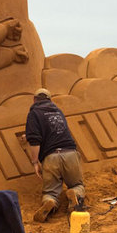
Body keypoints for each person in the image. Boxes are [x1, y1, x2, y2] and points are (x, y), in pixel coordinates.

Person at [24, 88, 85, 222]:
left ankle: (50, 201)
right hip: (70, 153)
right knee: (77, 184)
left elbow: (35, 140)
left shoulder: (34, 113)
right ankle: (75, 193)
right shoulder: (58, 112)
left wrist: (35, 162)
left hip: (51, 157)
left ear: (34, 100)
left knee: (50, 192)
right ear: (50, 100)